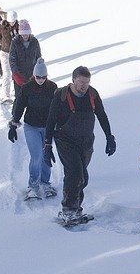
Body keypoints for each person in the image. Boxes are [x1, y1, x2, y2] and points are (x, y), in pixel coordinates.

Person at [43, 66, 116, 224]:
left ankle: (76, 209)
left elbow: (102, 115)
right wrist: (47, 145)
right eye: (81, 82)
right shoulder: (61, 95)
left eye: (87, 82)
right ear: (73, 80)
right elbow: (51, 120)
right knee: (75, 173)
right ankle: (68, 211)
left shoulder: (93, 94)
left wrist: (109, 137)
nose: (84, 85)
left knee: (83, 177)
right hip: (65, 140)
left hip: (86, 141)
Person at [9, 58, 59, 200]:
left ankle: (45, 183)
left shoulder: (53, 87)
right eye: (38, 77)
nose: (41, 80)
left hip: (48, 127)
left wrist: (60, 125)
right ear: (34, 75)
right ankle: (33, 186)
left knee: (46, 155)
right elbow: (19, 106)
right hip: (31, 126)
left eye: (43, 77)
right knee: (36, 156)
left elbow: (58, 108)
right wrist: (13, 124)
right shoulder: (27, 88)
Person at [9, 19, 42, 90]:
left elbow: (38, 57)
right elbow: (12, 59)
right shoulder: (15, 42)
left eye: (26, 34)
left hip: (32, 74)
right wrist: (15, 74)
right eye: (23, 34)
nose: (25, 36)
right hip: (19, 74)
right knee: (19, 96)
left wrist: (40, 70)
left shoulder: (34, 41)